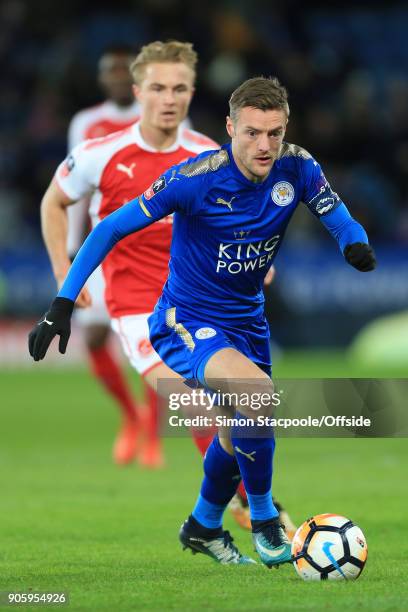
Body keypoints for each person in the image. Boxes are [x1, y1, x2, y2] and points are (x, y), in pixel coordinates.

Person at [29, 76, 376, 566]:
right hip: (185, 320)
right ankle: (265, 521)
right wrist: (62, 302)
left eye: (274, 133)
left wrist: (353, 244)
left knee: (240, 427)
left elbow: (337, 215)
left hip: (248, 323)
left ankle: (202, 525)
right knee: (257, 398)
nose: (265, 145)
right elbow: (109, 227)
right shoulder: (193, 179)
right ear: (230, 127)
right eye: (253, 133)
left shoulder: (297, 166)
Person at [65, 44, 153, 466]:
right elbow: (74, 188)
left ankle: (152, 435)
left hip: (154, 248)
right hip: (101, 244)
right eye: (110, 70)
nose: (117, 76)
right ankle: (130, 416)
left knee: (158, 343)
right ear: (102, 77)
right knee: (96, 337)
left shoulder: (159, 114)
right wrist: (69, 246)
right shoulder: (86, 122)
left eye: (124, 69)